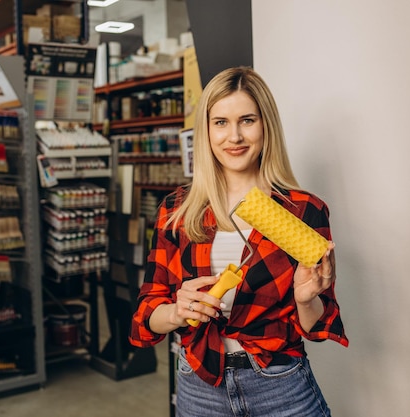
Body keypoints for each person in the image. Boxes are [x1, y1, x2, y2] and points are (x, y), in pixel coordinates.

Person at [129, 66, 348, 417]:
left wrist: (306, 299)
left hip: (280, 384)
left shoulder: (303, 210)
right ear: (206, 130)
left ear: (266, 126)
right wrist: (176, 311)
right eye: (220, 122)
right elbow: (144, 318)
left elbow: (319, 325)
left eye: (247, 120)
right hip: (199, 385)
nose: (234, 136)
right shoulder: (178, 210)